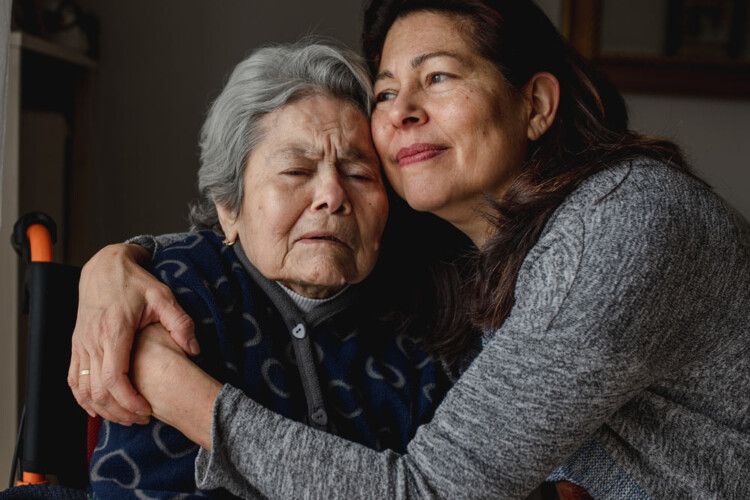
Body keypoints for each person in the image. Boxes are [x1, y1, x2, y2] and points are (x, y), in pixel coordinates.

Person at [70, 1, 750, 499]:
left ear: (536, 105)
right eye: (388, 91)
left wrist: (176, 389)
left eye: (440, 77)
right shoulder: (474, 255)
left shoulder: (616, 226)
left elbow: (428, 494)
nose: (400, 111)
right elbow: (264, 236)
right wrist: (119, 263)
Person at [85, 41, 450, 499]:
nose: (332, 196)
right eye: (296, 171)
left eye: (360, 175)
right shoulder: (173, 295)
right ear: (228, 206)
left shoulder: (425, 323)